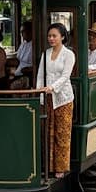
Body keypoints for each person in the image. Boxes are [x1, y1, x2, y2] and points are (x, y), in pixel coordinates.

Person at [36, 23, 75, 178]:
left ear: (62, 37)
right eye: (49, 36)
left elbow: (65, 76)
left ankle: (61, 167)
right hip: (47, 97)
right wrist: (40, 92)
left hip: (63, 98)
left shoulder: (68, 54)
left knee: (62, 133)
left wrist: (52, 87)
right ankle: (48, 165)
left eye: (54, 36)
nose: (51, 38)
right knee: (47, 132)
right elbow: (40, 75)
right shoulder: (46, 54)